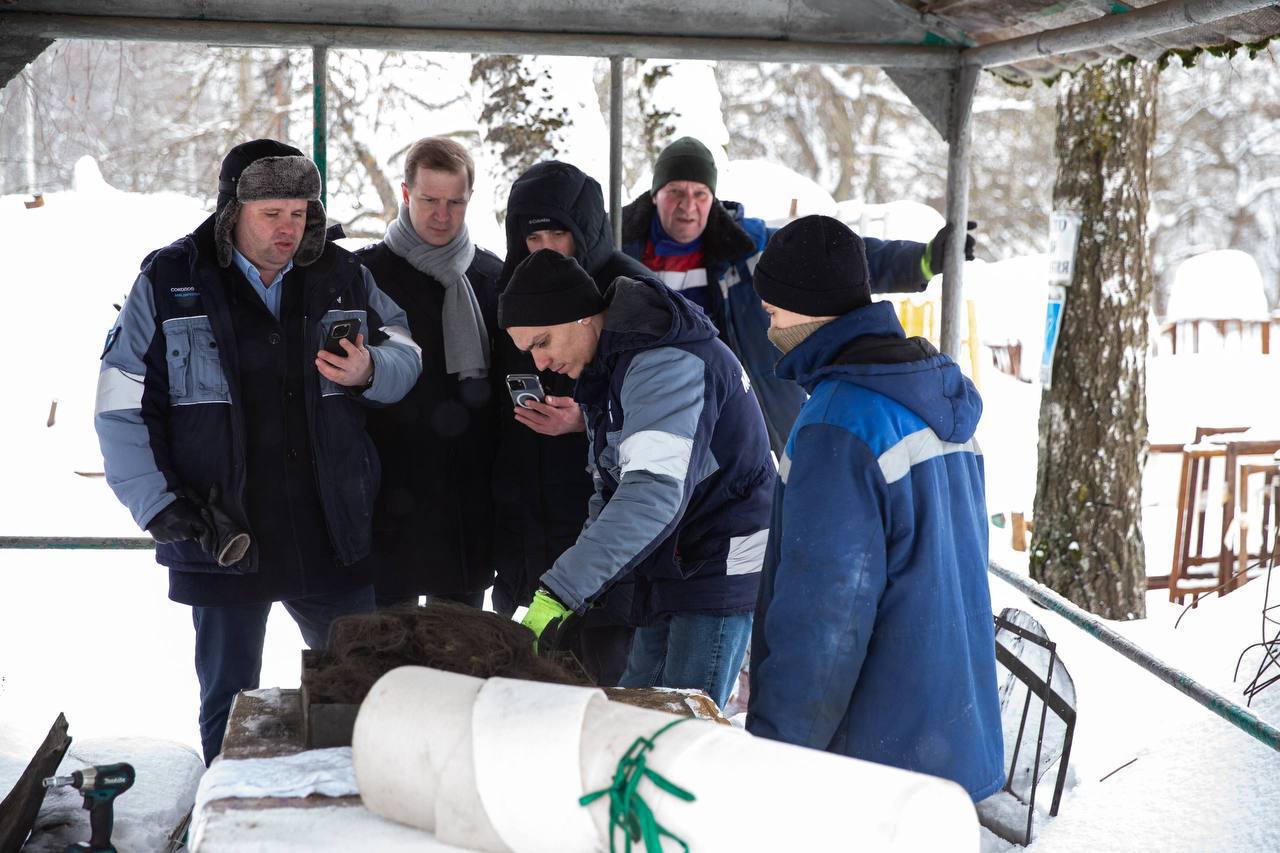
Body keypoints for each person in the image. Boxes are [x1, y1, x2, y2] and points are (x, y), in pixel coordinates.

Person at [94, 139, 422, 764]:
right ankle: (228, 818)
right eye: (271, 213)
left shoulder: (342, 274)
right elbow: (119, 403)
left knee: (354, 697)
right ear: (231, 213)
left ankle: (354, 819)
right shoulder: (170, 280)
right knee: (228, 703)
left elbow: (407, 348)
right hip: (222, 531)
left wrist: (372, 369)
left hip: (329, 529)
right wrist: (158, 505)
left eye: (298, 213)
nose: (288, 229)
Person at [744, 215, 1003, 801]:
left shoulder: (839, 423)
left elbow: (824, 622)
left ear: (806, 310)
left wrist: (776, 755)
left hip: (876, 767)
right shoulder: (938, 399)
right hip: (954, 741)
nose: (769, 327)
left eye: (772, 312)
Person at [503, 250, 775, 709]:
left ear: (582, 318)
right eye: (529, 350)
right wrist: (571, 590)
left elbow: (649, 496)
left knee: (680, 727)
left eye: (542, 341)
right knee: (634, 714)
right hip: (674, 560)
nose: (541, 362)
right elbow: (610, 490)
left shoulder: (663, 364)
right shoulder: (614, 367)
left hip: (717, 562)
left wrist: (563, 590)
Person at [621, 136, 975, 454]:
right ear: (655, 195)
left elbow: (838, 260)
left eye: (700, 194)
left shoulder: (747, 248)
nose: (688, 206)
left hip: (742, 408)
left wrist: (922, 260)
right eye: (676, 193)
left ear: (713, 199)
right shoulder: (618, 251)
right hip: (650, 401)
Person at [490, 160, 652, 685]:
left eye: (559, 232)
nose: (545, 247)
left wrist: (588, 419)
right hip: (528, 520)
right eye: (532, 236)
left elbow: (670, 414)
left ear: (587, 233)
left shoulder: (631, 295)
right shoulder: (510, 293)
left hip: (607, 531)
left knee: (599, 692)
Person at [355, 137, 502, 610]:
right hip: (387, 507)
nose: (442, 215)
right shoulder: (362, 277)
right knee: (387, 674)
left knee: (459, 674)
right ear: (404, 194)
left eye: (454, 202)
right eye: (429, 200)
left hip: (467, 512)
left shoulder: (493, 279)